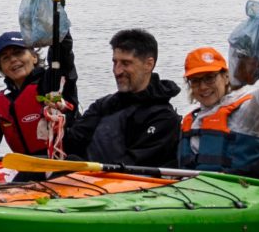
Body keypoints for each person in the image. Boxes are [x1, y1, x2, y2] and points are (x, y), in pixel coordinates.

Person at [46, 28, 180, 167]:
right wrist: (60, 119)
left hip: (131, 184)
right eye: (115, 62)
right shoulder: (104, 105)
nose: (117, 71)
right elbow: (71, 143)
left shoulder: (164, 118)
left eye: (126, 63)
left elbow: (136, 164)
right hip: (87, 178)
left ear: (149, 64)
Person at [178, 40, 259, 175]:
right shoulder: (191, 121)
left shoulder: (246, 113)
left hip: (241, 190)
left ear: (226, 77)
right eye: (195, 81)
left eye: (209, 78)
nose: (203, 87)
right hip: (193, 190)